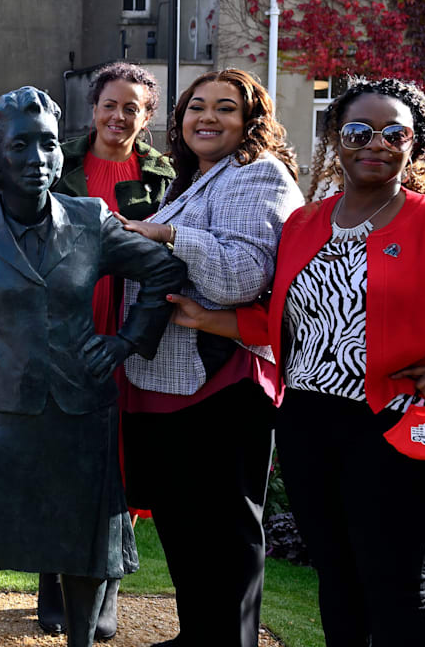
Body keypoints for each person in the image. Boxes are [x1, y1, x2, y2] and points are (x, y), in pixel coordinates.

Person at [167, 77, 425, 647]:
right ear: (334, 138)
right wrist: (208, 319)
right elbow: (287, 323)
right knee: (340, 584)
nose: (375, 142)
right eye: (358, 130)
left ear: (415, 144)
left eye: (394, 132)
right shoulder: (306, 223)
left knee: (396, 589)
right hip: (310, 429)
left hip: (404, 430)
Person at [0, 87, 187, 647]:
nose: (37, 160)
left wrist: (125, 342)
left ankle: (80, 640)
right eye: (20, 146)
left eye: (48, 145)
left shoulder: (91, 218)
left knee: (84, 543)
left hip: (83, 407)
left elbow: (163, 271)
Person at [117, 68, 303, 647]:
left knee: (225, 531)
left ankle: (228, 640)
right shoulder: (192, 181)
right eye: (196, 106)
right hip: (168, 381)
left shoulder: (259, 176)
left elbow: (242, 276)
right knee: (182, 525)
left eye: (226, 108)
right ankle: (199, 634)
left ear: (251, 121)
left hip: (222, 379)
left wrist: (167, 236)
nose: (207, 117)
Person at [37, 61, 173, 639]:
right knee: (58, 459)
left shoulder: (163, 174)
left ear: (148, 116)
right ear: (92, 107)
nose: (119, 117)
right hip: (62, 328)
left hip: (128, 331)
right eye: (110, 105)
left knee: (116, 467)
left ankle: (104, 592)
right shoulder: (55, 161)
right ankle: (53, 591)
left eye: (133, 108)